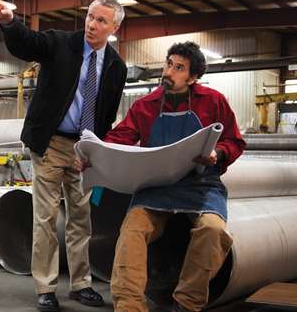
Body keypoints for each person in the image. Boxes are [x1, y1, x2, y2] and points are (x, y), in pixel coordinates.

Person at [0, 0, 128, 312]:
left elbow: (107, 113)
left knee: (82, 219)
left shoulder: (116, 67)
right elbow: (26, 44)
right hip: (51, 143)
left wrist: (95, 150)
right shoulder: (60, 43)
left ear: (115, 27)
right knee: (46, 217)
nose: (92, 25)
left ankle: (81, 285)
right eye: (90, 17)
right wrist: (9, 22)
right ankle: (46, 287)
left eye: (101, 21)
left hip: (84, 149)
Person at [102, 41, 246, 312]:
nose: (169, 71)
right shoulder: (146, 105)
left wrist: (217, 153)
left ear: (193, 77)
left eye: (179, 68)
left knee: (213, 230)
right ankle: (129, 306)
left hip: (201, 184)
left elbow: (234, 141)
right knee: (132, 231)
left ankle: (186, 303)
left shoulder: (213, 101)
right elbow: (118, 139)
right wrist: (95, 153)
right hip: (156, 185)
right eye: (169, 64)